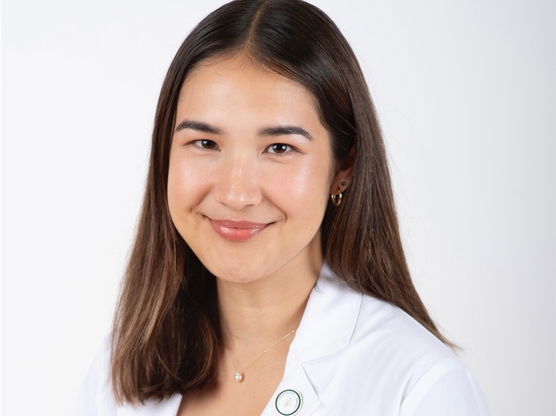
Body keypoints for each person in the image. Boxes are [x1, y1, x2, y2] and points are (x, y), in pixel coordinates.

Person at [76, 0, 491, 414]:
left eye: (279, 147)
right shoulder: (122, 366)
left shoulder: (419, 387)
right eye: (205, 143)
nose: (236, 194)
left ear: (343, 166)